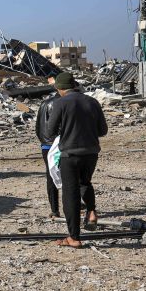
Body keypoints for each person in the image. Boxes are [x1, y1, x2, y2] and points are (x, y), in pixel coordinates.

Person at [47, 72, 108, 248]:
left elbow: (50, 131)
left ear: (59, 88)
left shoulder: (60, 103)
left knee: (70, 193)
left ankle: (74, 237)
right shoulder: (92, 101)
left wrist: (66, 130)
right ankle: (91, 211)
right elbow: (103, 130)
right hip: (91, 154)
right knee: (85, 183)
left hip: (70, 154)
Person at [35, 81, 61, 218]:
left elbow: (38, 127)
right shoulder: (63, 103)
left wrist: (44, 141)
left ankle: (54, 209)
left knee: (51, 175)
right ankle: (75, 204)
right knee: (69, 174)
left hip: (46, 145)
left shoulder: (44, 103)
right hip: (60, 144)